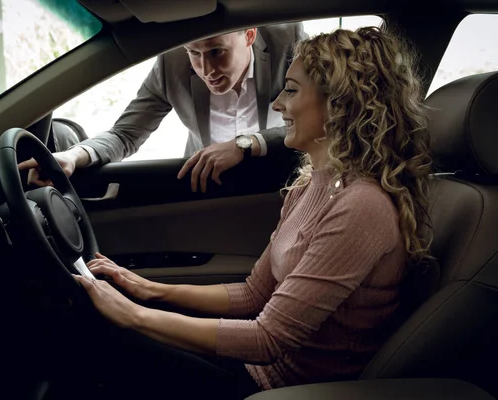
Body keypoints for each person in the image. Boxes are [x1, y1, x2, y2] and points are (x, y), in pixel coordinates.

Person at [71, 26, 433, 399]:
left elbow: (267, 339)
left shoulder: (362, 207)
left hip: (287, 388)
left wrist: (132, 315)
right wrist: (144, 289)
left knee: (102, 342)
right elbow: (252, 294)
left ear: (339, 103)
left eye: (291, 90)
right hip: (257, 370)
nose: (276, 105)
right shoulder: (311, 183)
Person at [19, 23, 308, 192]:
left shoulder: (288, 42)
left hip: (275, 183)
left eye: (216, 52)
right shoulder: (172, 63)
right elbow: (125, 134)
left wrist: (244, 144)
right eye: (194, 53)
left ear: (249, 35)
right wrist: (72, 156)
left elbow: (314, 120)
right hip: (208, 185)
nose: (205, 69)